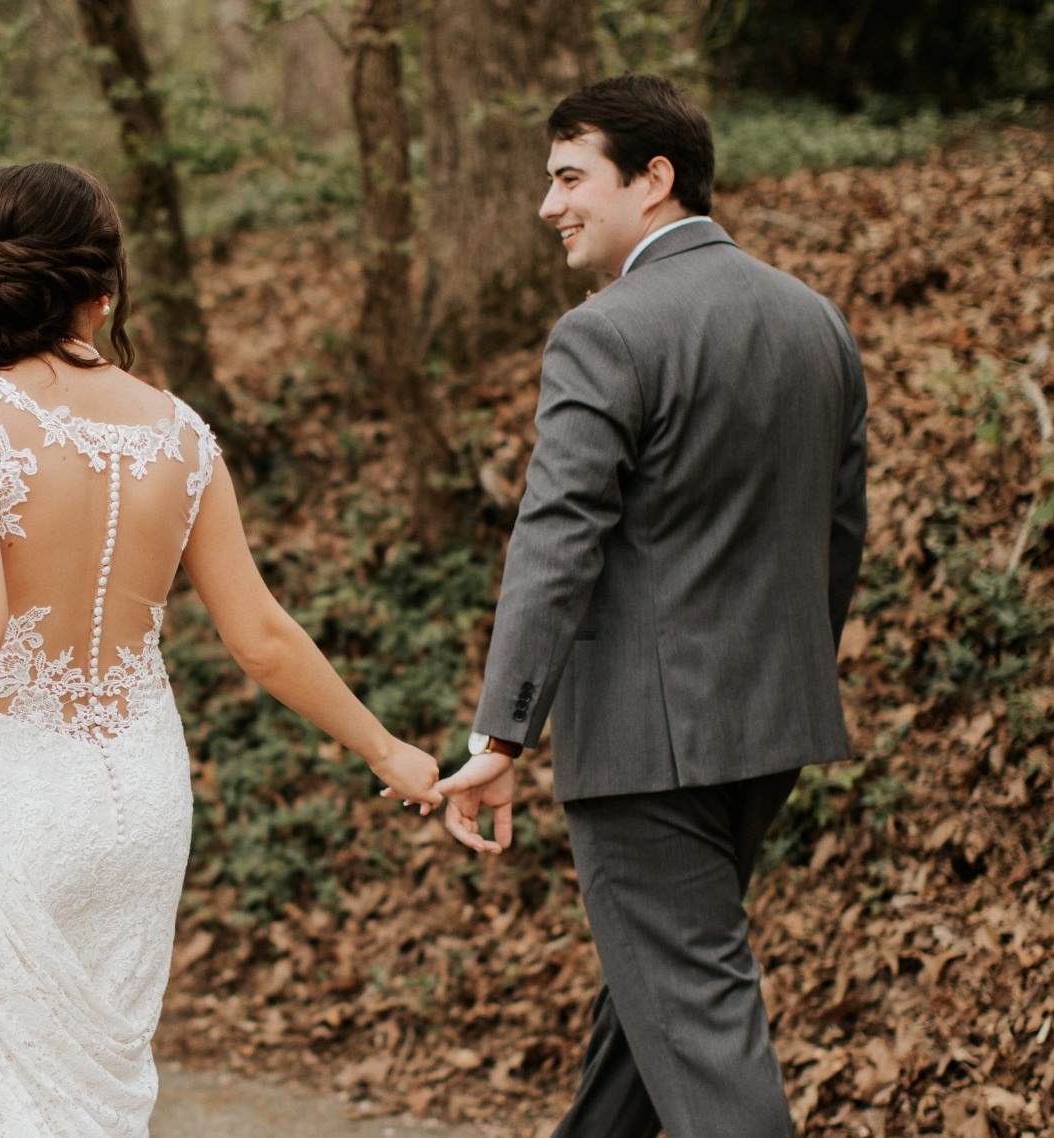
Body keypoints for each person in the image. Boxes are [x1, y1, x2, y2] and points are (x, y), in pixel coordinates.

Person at [0, 161, 442, 1138]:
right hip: (140, 800)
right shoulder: (182, 433)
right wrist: (390, 750)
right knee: (91, 1097)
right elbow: (259, 635)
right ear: (105, 286)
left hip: (5, 799)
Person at [434, 75, 868, 1137]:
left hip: (646, 745)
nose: (551, 205)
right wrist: (791, 665)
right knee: (655, 1005)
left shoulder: (606, 331)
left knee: (696, 1020)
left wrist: (503, 729)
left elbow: (557, 536)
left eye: (571, 176)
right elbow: (839, 532)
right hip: (769, 725)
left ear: (655, 177)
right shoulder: (815, 321)